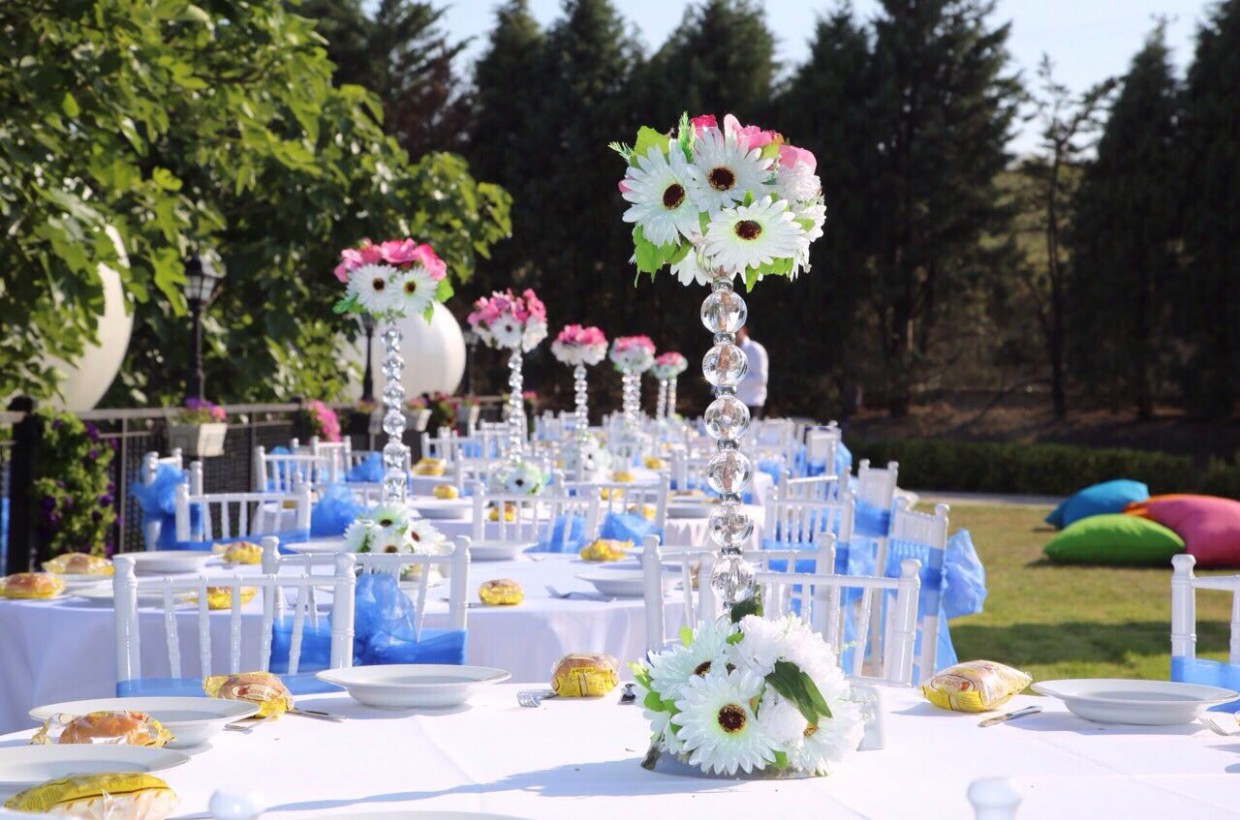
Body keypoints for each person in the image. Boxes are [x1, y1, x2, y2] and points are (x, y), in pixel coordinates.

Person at [734, 326, 768, 419]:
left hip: (751, 404)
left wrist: (732, 382)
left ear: (744, 330)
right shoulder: (727, 350)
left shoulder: (755, 349)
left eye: (735, 332)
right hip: (731, 406)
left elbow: (761, 379)